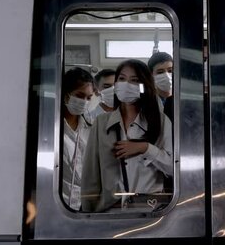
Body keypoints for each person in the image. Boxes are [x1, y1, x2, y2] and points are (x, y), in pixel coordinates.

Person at [81, 59, 173, 212]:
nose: (126, 84)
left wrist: (145, 148)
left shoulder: (161, 121)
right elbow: (91, 175)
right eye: (122, 79)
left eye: (135, 80)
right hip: (110, 213)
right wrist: (87, 216)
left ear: (144, 86)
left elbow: (172, 168)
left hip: (151, 211)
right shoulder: (101, 123)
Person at [61, 67, 95, 210]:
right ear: (66, 94)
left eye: (88, 98)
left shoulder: (91, 127)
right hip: (59, 204)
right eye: (80, 96)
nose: (84, 102)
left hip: (86, 204)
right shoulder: (52, 127)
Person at [147, 51, 173, 121]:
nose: (167, 75)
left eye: (170, 70)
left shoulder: (182, 101)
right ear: (151, 75)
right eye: (160, 72)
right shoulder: (146, 104)